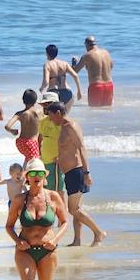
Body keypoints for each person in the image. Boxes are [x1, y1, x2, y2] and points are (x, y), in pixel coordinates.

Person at [6, 158, 70, 280]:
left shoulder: (53, 197)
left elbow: (65, 222)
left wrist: (55, 240)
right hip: (25, 251)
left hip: (47, 251)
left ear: (44, 177)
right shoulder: (20, 200)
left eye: (40, 174)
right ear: (26, 178)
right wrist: (18, 241)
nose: (36, 177)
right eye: (32, 174)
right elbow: (9, 226)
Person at [50, 104, 105, 246]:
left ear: (58, 113)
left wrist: (87, 173)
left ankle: (98, 232)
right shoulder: (63, 127)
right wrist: (59, 159)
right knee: (77, 209)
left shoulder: (71, 127)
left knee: (73, 209)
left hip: (77, 172)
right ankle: (77, 240)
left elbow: (82, 149)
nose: (50, 119)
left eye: (50, 115)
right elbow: (68, 149)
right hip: (70, 173)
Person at [72, 35, 115, 108]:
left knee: (94, 111)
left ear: (86, 45)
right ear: (96, 44)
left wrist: (74, 63)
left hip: (96, 86)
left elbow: (75, 72)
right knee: (107, 111)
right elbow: (111, 66)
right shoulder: (106, 52)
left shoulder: (87, 55)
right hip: (109, 85)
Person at [37, 93, 66, 199]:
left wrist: (61, 156)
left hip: (56, 161)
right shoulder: (43, 121)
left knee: (59, 189)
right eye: (43, 105)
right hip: (45, 160)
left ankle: (62, 213)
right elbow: (40, 139)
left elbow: (67, 142)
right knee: (47, 189)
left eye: (47, 104)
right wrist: (38, 155)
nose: (44, 107)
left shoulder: (61, 123)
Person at [41, 44, 82, 110]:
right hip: (67, 93)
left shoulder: (47, 65)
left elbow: (46, 82)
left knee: (52, 116)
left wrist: (41, 88)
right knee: (64, 116)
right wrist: (79, 92)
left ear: (47, 54)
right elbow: (75, 76)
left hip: (53, 93)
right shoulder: (64, 63)